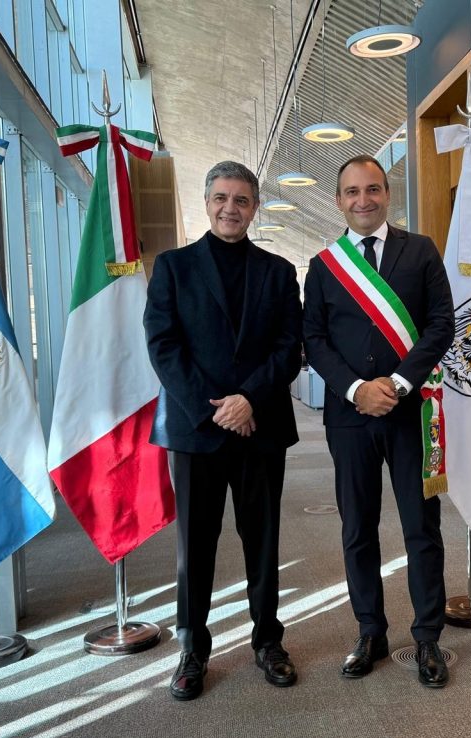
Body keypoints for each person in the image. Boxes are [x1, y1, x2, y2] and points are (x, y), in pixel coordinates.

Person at [144, 160, 302, 701]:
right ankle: (193, 650)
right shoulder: (173, 267)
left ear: (254, 207)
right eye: (221, 198)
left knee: (263, 540)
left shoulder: (279, 272)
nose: (230, 208)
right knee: (195, 546)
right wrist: (215, 408)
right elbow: (163, 346)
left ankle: (268, 641)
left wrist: (249, 398)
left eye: (241, 199)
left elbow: (289, 348)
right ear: (206, 202)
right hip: (197, 431)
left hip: (261, 426)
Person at [303, 155, 455, 688]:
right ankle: (370, 631)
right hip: (349, 418)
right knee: (357, 529)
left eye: (372, 189)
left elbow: (441, 324)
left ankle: (428, 636)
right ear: (338, 201)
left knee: (422, 527)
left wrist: (398, 384)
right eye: (351, 192)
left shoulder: (421, 250)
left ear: (388, 194)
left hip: (409, 412)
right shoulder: (324, 265)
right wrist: (356, 390)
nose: (362, 200)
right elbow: (314, 338)